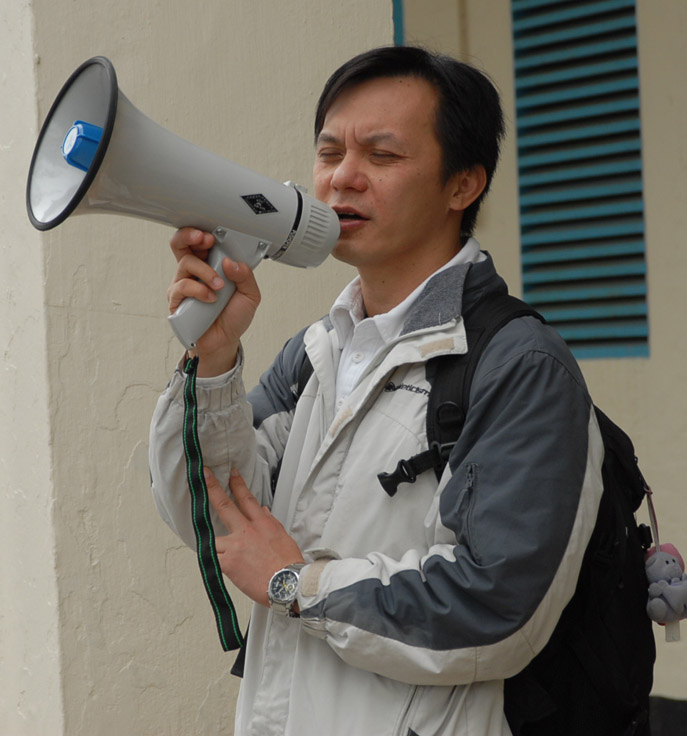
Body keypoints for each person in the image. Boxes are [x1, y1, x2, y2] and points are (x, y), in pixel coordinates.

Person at [149, 45, 604, 736]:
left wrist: (299, 586)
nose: (342, 180)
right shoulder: (317, 351)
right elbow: (216, 518)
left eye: (382, 156)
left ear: (463, 185)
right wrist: (212, 360)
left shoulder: (519, 367)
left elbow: (500, 609)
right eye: (329, 153)